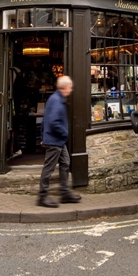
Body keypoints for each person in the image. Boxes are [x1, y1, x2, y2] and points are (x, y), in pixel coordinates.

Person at [37, 75, 81, 207]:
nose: (71, 90)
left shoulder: (56, 98)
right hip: (55, 140)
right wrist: (64, 133)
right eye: (70, 87)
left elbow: (45, 120)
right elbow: (53, 122)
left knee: (65, 162)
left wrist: (42, 136)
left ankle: (65, 193)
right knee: (49, 168)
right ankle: (42, 196)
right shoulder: (56, 100)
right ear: (65, 87)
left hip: (57, 140)